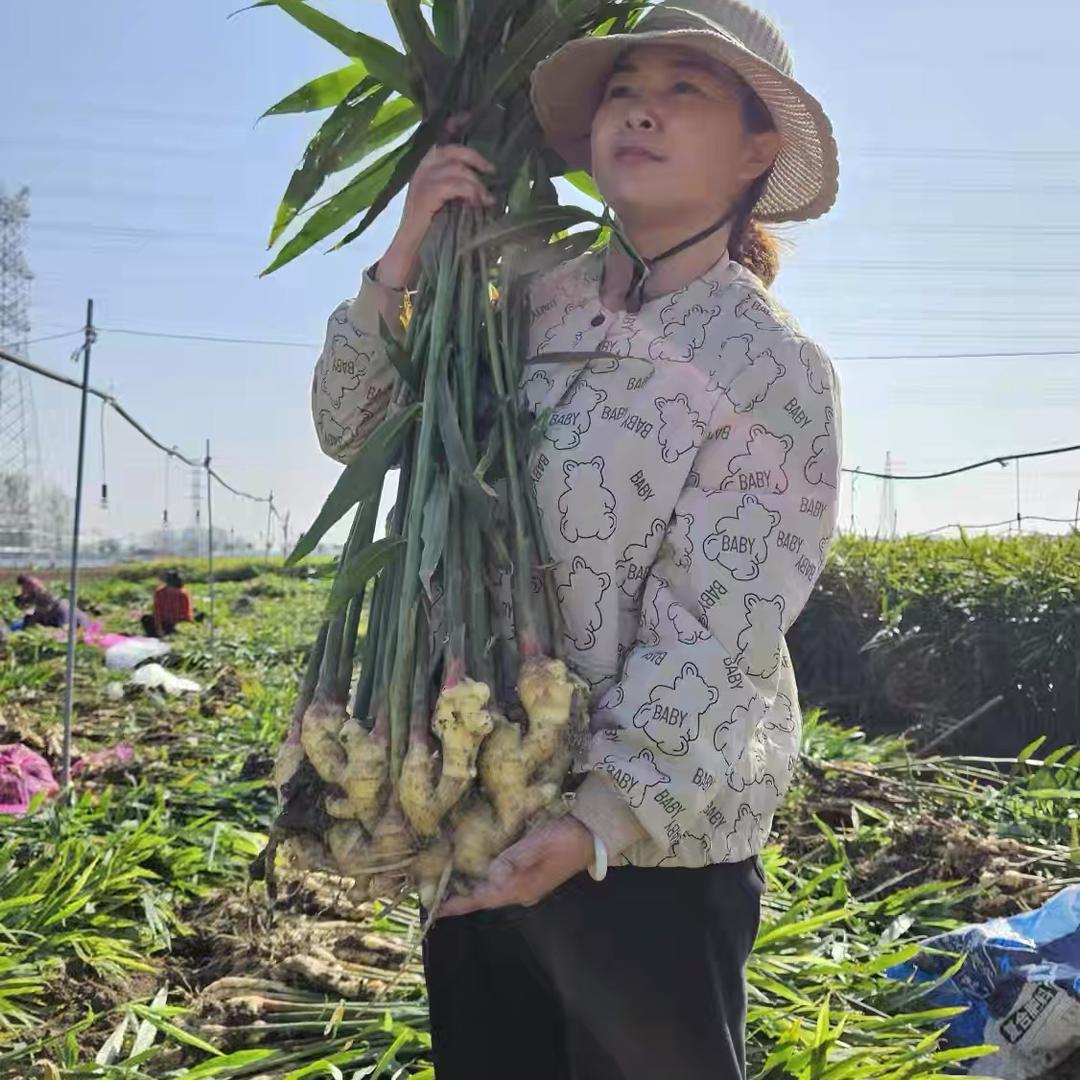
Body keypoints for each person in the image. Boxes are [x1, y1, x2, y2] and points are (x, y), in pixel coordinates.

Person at [310, 1, 841, 1076]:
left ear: (756, 151)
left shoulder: (770, 366)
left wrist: (599, 820)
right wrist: (407, 253)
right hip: (478, 809)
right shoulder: (520, 306)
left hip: (648, 855)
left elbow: (723, 621)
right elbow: (351, 428)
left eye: (683, 90)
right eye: (622, 91)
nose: (639, 111)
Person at [141, 569, 194, 638]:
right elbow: (157, 612)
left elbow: (187, 614)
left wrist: (185, 627)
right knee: (146, 619)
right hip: (164, 623)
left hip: (177, 624)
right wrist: (159, 629)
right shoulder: (160, 592)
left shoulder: (183, 594)